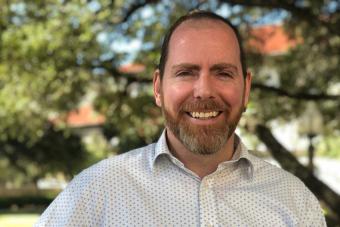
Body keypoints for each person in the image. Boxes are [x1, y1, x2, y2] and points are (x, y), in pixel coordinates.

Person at [35, 10, 326, 226]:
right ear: (158, 88)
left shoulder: (296, 203)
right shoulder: (96, 191)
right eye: (186, 72)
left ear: (246, 88)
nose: (204, 91)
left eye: (223, 73)